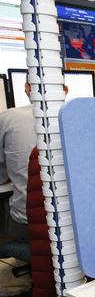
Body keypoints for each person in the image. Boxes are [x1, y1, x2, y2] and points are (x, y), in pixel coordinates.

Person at [0, 83, 37, 243]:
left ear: (27, 88)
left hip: (27, 223)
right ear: (65, 90)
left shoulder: (8, 118)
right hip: (77, 223)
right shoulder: (80, 118)